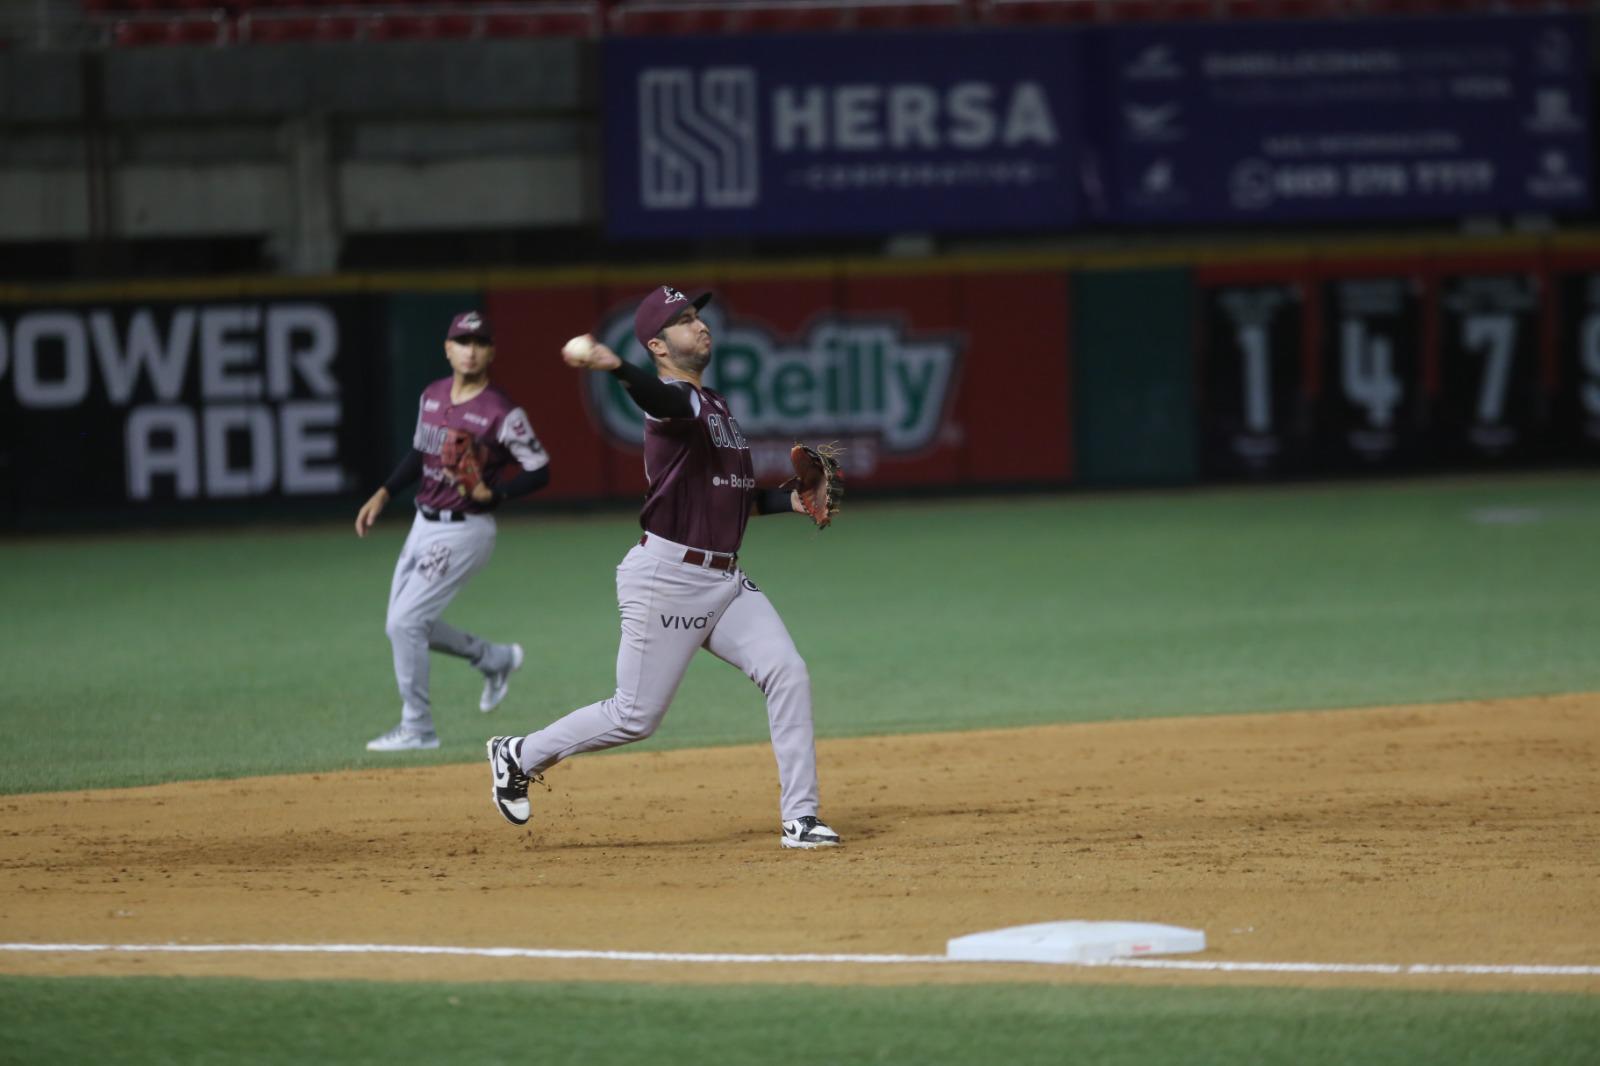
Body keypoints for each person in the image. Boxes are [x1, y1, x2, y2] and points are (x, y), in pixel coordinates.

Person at [486, 284, 841, 849]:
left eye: (699, 316)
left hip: (724, 581)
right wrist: (615, 367)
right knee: (634, 716)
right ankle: (517, 754)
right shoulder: (672, 403)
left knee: (787, 672)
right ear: (657, 345)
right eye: (685, 320)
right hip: (668, 579)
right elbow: (661, 399)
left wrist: (792, 501)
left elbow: (733, 493)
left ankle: (800, 818)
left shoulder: (715, 405)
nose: (701, 326)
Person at [355, 310, 552, 752]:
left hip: (465, 530)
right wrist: (384, 493)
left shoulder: (502, 413)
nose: (471, 350)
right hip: (422, 523)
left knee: (406, 622)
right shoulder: (432, 395)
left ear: (491, 352)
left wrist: (496, 493)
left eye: (480, 343)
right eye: (463, 341)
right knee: (404, 625)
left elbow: (540, 470)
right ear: (448, 349)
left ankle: (418, 727)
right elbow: (419, 453)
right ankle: (494, 659)